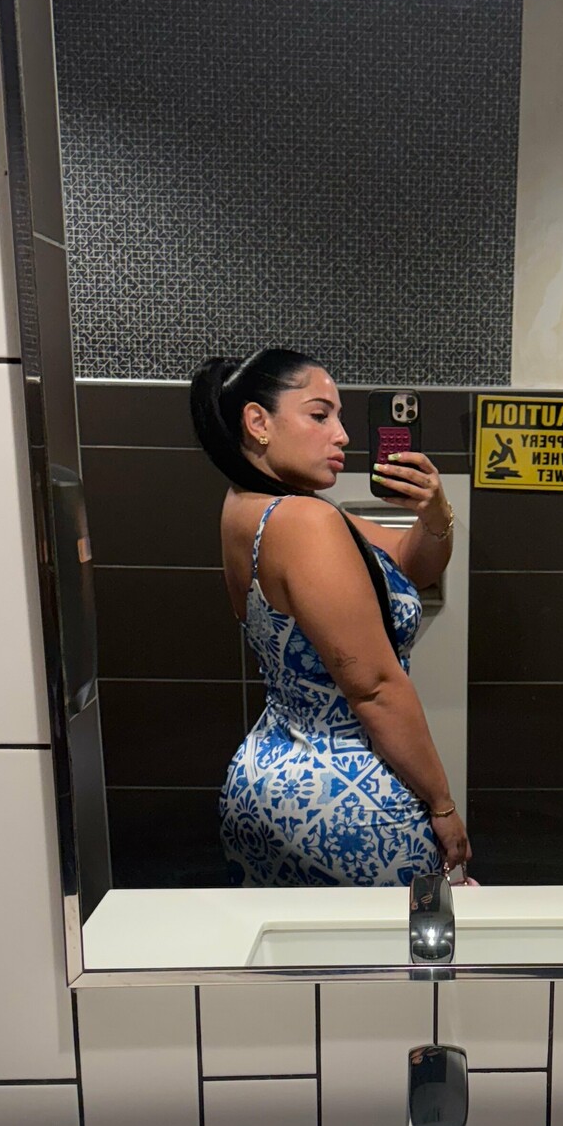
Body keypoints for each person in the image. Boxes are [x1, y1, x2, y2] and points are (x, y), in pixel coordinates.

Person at [189, 348, 471, 887]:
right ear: (258, 422)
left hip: (269, 778)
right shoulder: (305, 522)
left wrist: (436, 513)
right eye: (320, 415)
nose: (342, 435)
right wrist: (442, 804)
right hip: (346, 804)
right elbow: (376, 688)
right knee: (409, 937)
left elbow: (409, 561)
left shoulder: (249, 505)